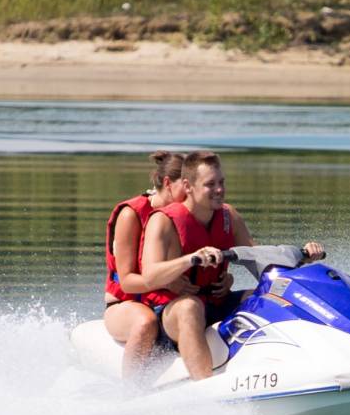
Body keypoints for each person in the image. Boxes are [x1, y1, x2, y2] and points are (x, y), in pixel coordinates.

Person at [139, 150, 324, 380]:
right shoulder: (163, 221)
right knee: (190, 308)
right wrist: (191, 258)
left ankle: (305, 363)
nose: (219, 189)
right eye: (210, 184)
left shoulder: (229, 217)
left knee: (269, 296)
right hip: (173, 314)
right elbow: (149, 276)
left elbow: (260, 260)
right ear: (188, 186)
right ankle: (205, 388)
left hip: (217, 302)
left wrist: (302, 257)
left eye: (221, 182)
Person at [102, 150, 193, 377]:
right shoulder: (131, 215)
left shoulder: (186, 215)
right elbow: (127, 282)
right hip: (126, 305)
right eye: (186, 186)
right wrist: (167, 282)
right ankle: (129, 392)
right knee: (145, 322)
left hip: (167, 303)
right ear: (167, 183)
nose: (191, 193)